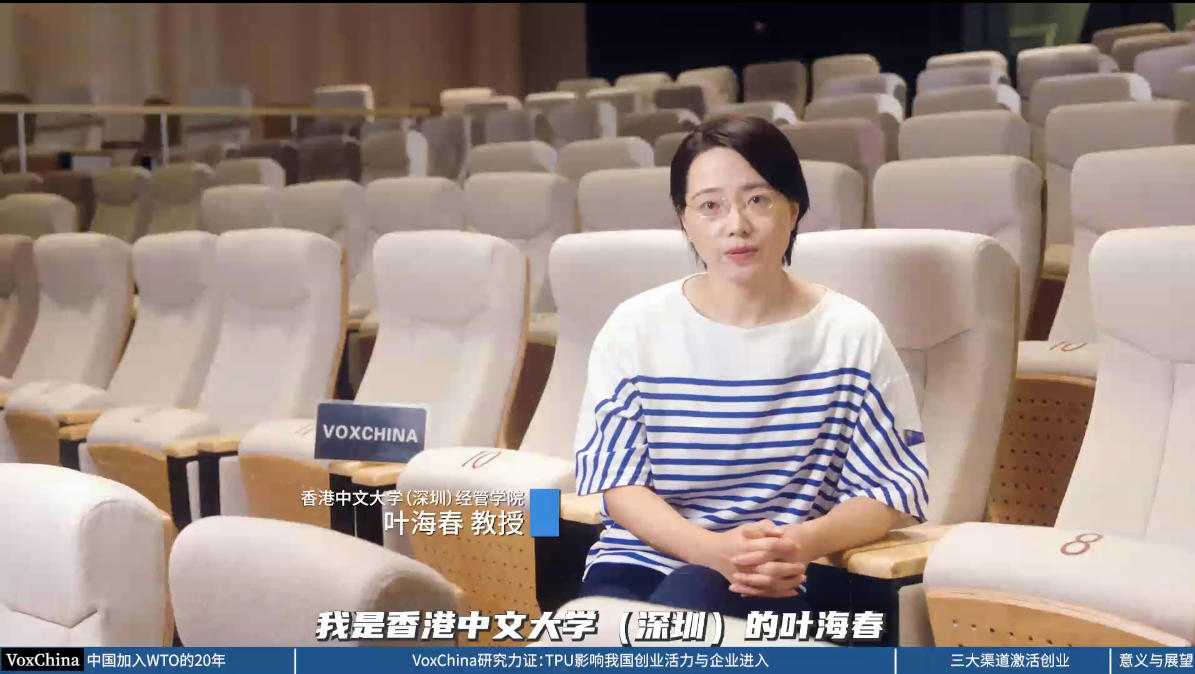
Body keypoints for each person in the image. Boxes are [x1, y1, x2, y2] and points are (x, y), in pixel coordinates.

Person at [573, 115, 928, 618]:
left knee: (685, 603)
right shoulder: (634, 327)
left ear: (793, 208)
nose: (736, 224)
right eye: (710, 206)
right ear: (685, 220)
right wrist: (709, 550)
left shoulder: (850, 333)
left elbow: (892, 492)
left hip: (787, 572)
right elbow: (620, 484)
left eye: (757, 200)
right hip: (644, 559)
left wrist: (801, 542)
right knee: (601, 626)